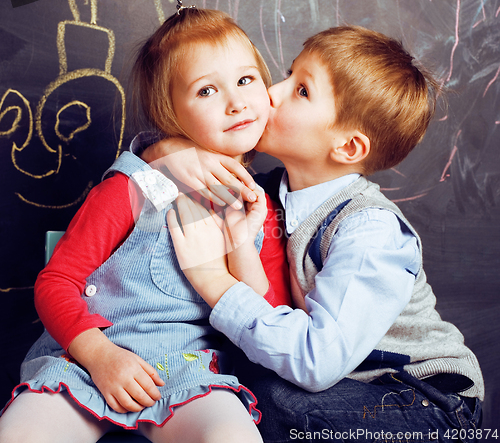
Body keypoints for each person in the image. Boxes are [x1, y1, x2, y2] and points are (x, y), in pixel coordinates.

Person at [142, 26, 484, 440]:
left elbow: (315, 361)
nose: (271, 92)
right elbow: (153, 167)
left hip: (422, 400)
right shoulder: (265, 190)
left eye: (301, 90)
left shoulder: (370, 230)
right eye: (287, 74)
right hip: (340, 385)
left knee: (268, 400)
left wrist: (214, 281)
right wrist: (166, 151)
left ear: (348, 148)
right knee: (240, 384)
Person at [0, 4, 292, 443]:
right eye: (206, 91)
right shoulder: (134, 187)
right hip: (84, 364)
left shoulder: (261, 208)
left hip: (190, 374)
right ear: (171, 111)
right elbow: (56, 282)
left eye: (246, 80)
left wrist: (239, 241)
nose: (236, 102)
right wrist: (99, 356)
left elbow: (268, 322)